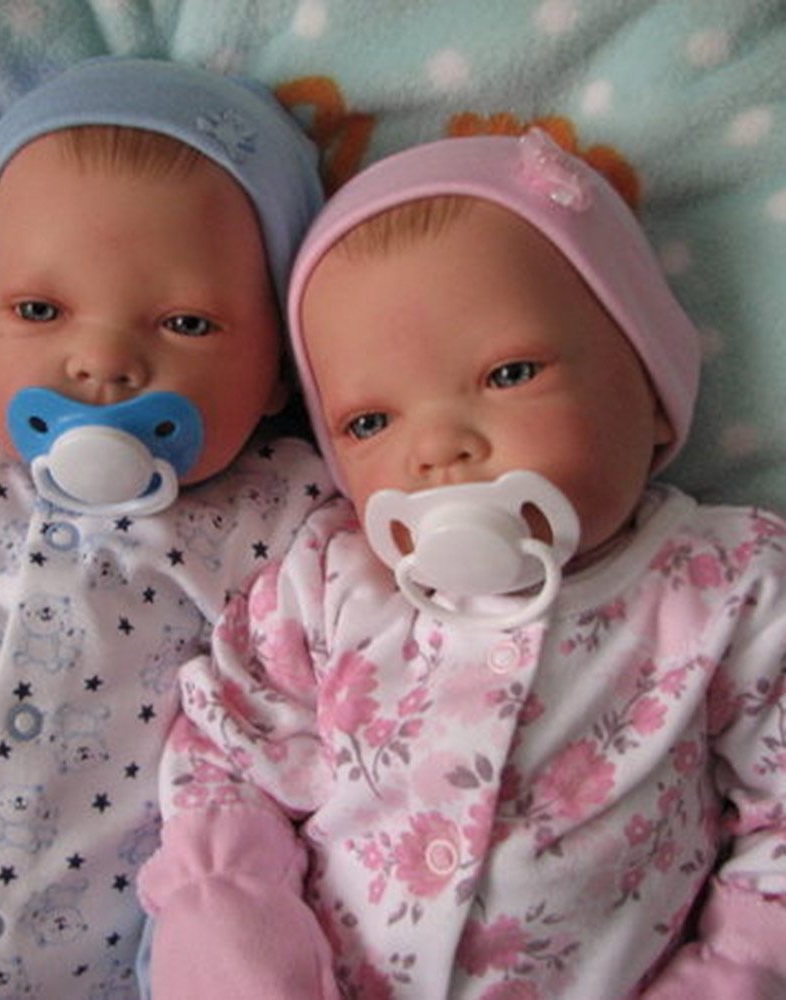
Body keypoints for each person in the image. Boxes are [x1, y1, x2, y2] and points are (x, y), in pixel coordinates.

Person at [138, 129, 786, 999]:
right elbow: (227, 757)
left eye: (508, 373)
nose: (438, 447)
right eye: (370, 423)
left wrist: (737, 971)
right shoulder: (329, 584)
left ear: (655, 394)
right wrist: (233, 933)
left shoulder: (727, 586)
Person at [0, 56, 331, 998]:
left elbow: (315, 713)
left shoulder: (283, 522)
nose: (103, 360)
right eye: (39, 310)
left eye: (187, 323)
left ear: (280, 368)